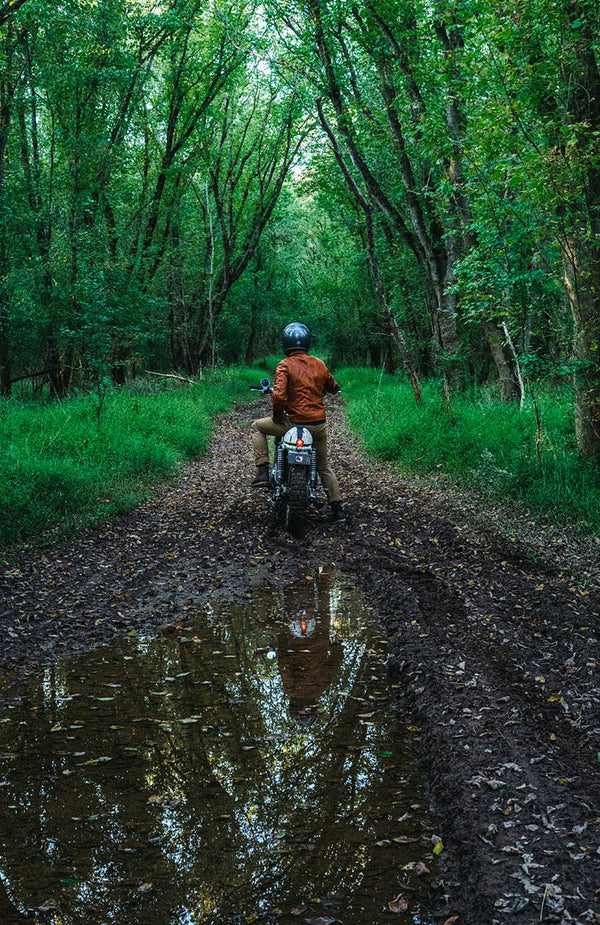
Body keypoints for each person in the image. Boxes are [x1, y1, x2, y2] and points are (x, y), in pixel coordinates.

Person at [250, 322, 346, 520]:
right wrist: (326, 389)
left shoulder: (285, 364)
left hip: (292, 423)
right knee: (323, 466)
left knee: (256, 427)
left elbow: (278, 396)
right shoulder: (319, 364)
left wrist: (278, 418)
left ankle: (262, 470)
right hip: (317, 425)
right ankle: (337, 509)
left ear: (286, 343)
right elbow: (333, 387)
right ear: (306, 342)